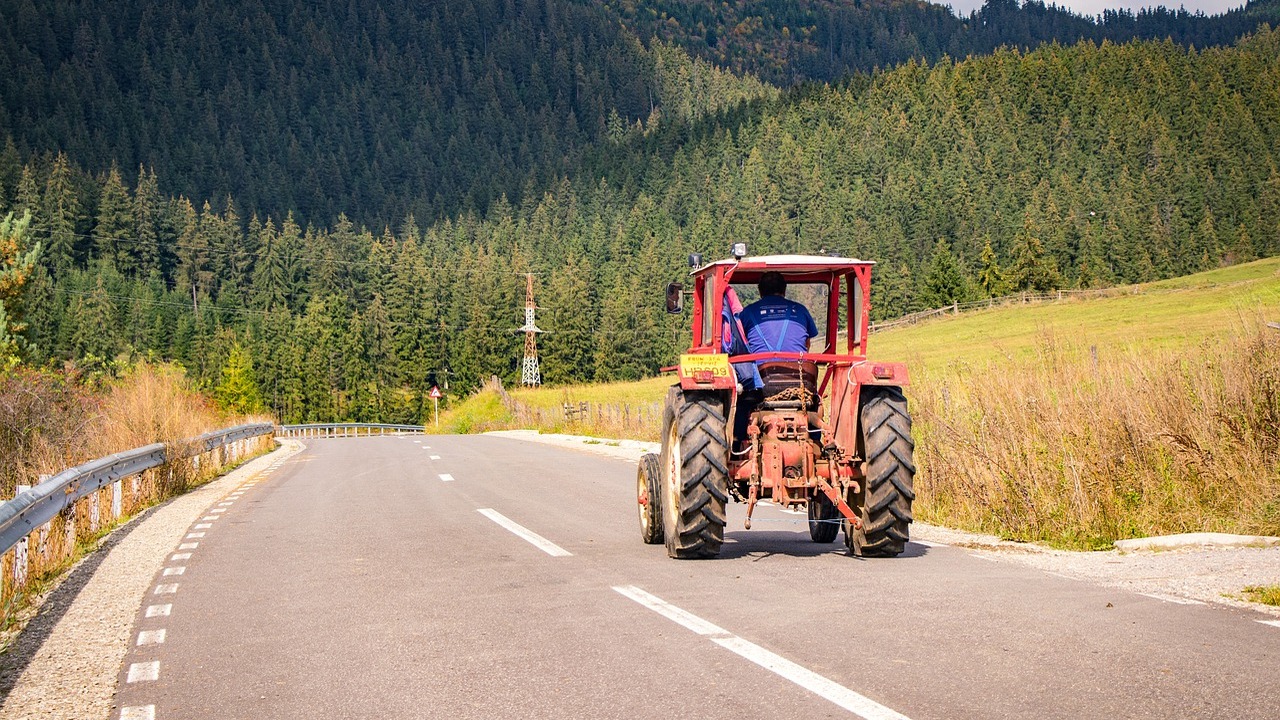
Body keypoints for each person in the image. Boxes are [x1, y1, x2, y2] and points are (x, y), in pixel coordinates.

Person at [739, 271, 819, 360]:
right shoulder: (800, 309)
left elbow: (739, 342)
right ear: (784, 290)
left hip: (759, 367)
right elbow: (807, 343)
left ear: (760, 291)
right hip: (798, 367)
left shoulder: (747, 312)